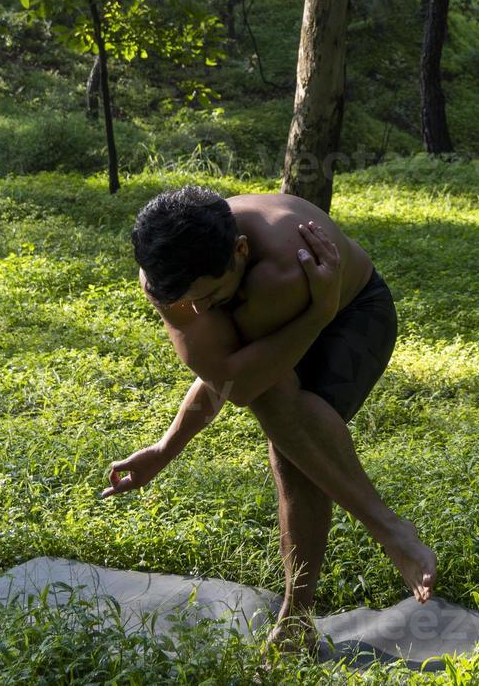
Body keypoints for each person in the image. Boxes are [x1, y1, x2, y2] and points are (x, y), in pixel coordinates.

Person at [100, 186, 436, 655]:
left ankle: (385, 536)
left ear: (240, 250)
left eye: (212, 296)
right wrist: (163, 450)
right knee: (288, 435)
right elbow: (227, 376)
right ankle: (304, 614)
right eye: (188, 302)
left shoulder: (283, 267)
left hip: (353, 314)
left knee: (291, 446)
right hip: (309, 313)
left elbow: (244, 384)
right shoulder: (168, 277)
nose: (197, 312)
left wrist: (321, 309)